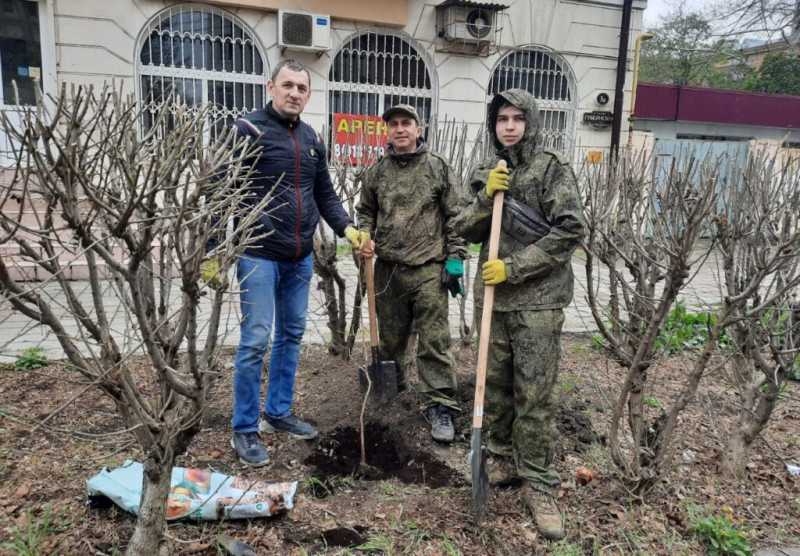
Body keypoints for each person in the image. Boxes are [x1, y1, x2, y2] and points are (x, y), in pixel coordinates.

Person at [204, 60, 367, 466]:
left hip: (299, 258)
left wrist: (348, 229)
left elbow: (325, 194)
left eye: (302, 88)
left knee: (291, 336)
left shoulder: (311, 137)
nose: (295, 93)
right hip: (258, 254)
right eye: (288, 85)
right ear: (270, 86)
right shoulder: (246, 130)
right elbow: (218, 193)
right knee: (255, 341)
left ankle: (277, 412)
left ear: (308, 95)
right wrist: (210, 254)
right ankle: (244, 428)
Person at [452, 89, 585, 539]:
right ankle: (503, 456)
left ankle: (539, 481)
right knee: (495, 386)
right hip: (494, 298)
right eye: (501, 118)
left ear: (532, 121)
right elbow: (464, 230)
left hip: (539, 300)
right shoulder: (485, 169)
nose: (509, 126)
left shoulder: (551, 168)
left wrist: (514, 266)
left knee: (535, 393)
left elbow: (570, 230)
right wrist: (486, 197)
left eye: (517, 118)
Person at [357, 104, 467, 443]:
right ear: (387, 131)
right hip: (388, 270)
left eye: (407, 123)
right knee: (390, 340)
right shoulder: (376, 172)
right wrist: (363, 238)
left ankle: (440, 404)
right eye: (394, 124)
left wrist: (455, 259)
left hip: (428, 270)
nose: (400, 129)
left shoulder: (438, 168)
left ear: (419, 130)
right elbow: (365, 213)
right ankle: (394, 395)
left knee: (433, 342)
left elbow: (456, 217)